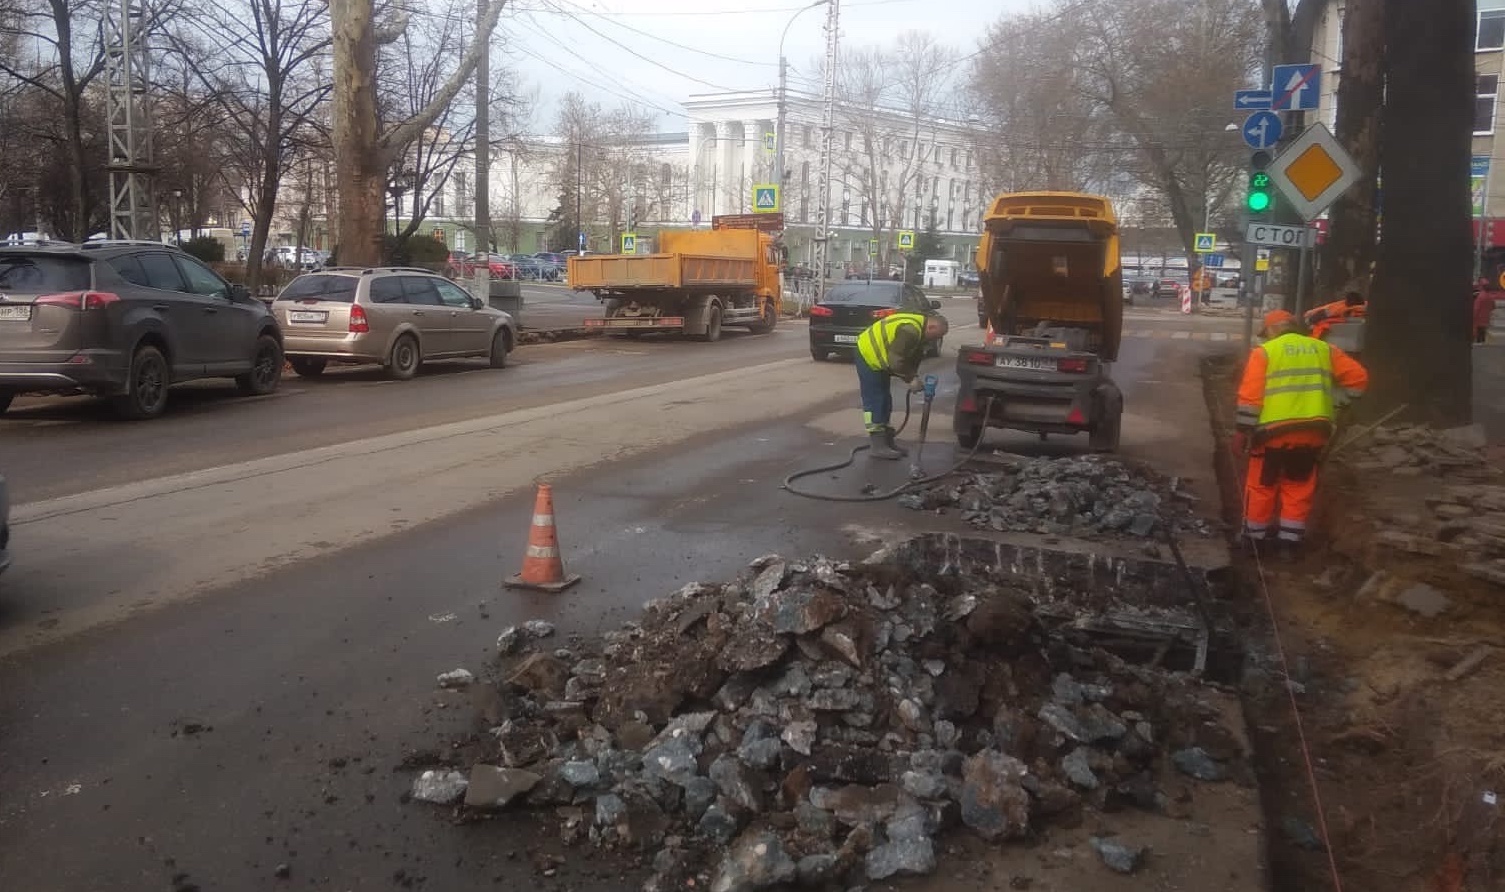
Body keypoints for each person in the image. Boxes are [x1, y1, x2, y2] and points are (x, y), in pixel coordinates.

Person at [1234, 310, 1368, 553]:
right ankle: (1289, 543)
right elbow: (1358, 379)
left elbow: (1250, 399)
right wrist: (1338, 403)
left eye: (1266, 334)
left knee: (1262, 486)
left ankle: (1253, 541)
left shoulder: (1265, 352)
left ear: (1272, 330)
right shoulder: (1323, 349)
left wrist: (1242, 431)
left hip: (1272, 434)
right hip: (1314, 431)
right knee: (1298, 486)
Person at [855, 310, 949, 460]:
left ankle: (887, 442)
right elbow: (895, 359)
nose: (936, 340)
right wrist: (910, 378)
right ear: (931, 327)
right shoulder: (910, 330)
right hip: (868, 355)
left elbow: (912, 358)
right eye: (937, 336)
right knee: (876, 399)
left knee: (886, 399)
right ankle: (878, 446)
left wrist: (914, 376)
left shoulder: (919, 331)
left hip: (880, 358)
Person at [1474, 278, 1496, 345]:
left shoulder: (1480, 296)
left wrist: (1473, 316)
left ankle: (1479, 343)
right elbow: (1493, 306)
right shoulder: (1490, 296)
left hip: (1479, 318)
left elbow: (1476, 308)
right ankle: (1482, 343)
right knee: (1482, 332)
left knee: (1479, 333)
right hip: (1486, 318)